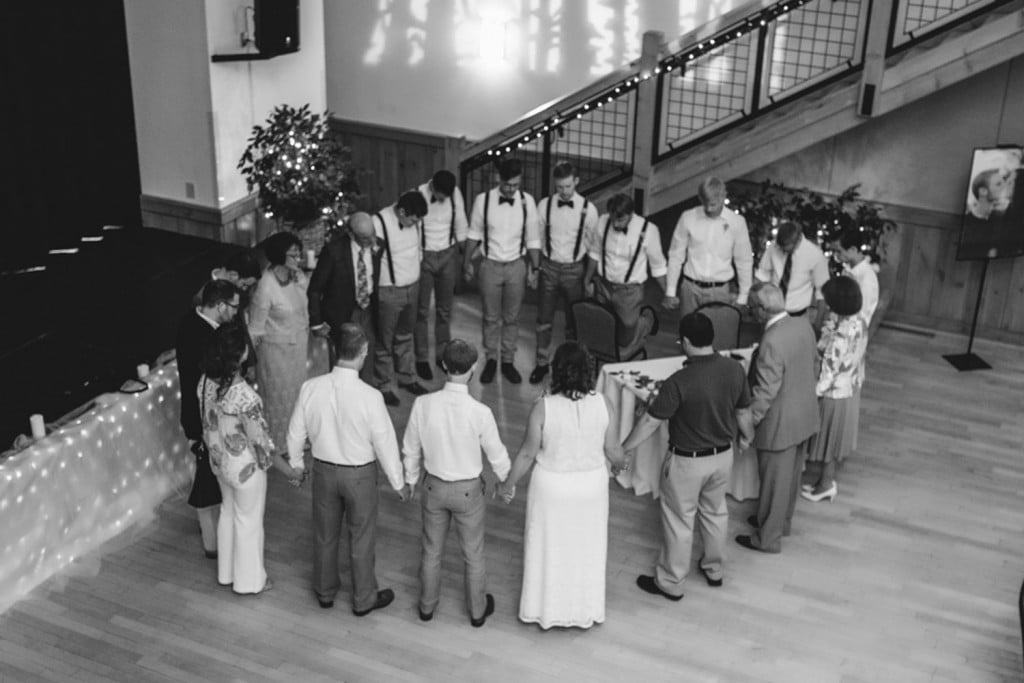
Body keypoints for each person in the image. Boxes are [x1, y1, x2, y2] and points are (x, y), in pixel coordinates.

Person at [622, 313, 752, 598]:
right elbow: (743, 411)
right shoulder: (734, 369)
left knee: (679, 520)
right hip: (723, 457)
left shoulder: (678, 381)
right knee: (716, 513)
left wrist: (624, 449)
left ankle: (670, 582)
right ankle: (714, 569)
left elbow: (650, 422)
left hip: (687, 462)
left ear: (688, 342)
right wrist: (748, 437)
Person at [499, 343, 628, 629]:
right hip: (591, 490)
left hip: (552, 488)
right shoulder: (604, 403)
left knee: (548, 548)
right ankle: (585, 610)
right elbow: (614, 450)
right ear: (588, 372)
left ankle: (544, 609)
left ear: (556, 371)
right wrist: (624, 466)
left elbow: (527, 454)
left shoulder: (543, 407)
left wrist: (507, 484)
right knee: (587, 549)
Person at [286, 323, 408, 615]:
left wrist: (296, 465)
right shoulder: (371, 396)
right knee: (361, 537)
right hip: (360, 476)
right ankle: (364, 599)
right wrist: (398, 481)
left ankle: (325, 592)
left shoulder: (310, 387)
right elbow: (385, 443)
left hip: (324, 473)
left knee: (325, 534)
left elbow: (294, 434)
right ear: (363, 351)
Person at [402, 339, 511, 627]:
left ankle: (426, 607)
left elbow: (410, 447)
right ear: (474, 367)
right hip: (468, 493)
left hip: (433, 488)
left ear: (443, 366)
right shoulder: (480, 412)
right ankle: (477, 612)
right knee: (473, 554)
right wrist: (506, 483)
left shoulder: (422, 404)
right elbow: (497, 454)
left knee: (431, 550)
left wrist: (410, 480)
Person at [199, 325, 301, 595]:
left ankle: (227, 574)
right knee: (249, 521)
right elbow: (263, 444)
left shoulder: (206, 382)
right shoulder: (245, 396)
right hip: (244, 469)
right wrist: (290, 471)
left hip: (219, 463)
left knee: (227, 512)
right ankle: (250, 582)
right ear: (241, 354)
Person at [735, 282, 819, 554]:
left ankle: (767, 539)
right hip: (804, 414)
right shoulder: (802, 324)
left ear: (761, 310)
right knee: (790, 478)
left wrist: (748, 425)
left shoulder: (771, 341)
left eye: (751, 307)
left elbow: (764, 394)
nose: (750, 313)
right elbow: (814, 364)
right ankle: (779, 522)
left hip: (780, 423)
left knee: (773, 482)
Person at [175, 278, 239, 558]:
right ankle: (213, 543)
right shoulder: (200, 336)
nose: (236, 312)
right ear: (220, 305)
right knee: (208, 476)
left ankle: (214, 533)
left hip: (204, 414)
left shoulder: (192, 321)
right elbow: (208, 383)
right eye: (234, 307)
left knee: (210, 474)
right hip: (204, 416)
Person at [464, 158, 541, 384]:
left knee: (512, 318)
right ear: (499, 179)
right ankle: (491, 360)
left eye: (516, 185)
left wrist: (534, 268)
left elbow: (534, 239)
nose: (511, 190)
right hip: (490, 265)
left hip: (516, 265)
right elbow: (473, 235)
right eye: (508, 185)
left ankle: (508, 361)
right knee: (490, 317)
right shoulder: (483, 201)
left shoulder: (528, 202)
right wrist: (466, 262)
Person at [529, 162, 599, 385]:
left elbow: (594, 247)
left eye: (568, 186)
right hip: (548, 267)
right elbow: (536, 239)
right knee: (543, 319)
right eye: (559, 187)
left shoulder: (589, 210)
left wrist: (588, 278)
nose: (564, 191)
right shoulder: (544, 205)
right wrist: (535, 268)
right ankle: (541, 364)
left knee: (573, 322)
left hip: (574, 269)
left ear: (576, 182)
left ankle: (571, 367)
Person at [802, 276, 867, 503]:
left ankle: (826, 484)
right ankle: (824, 481)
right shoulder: (859, 321)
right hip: (849, 388)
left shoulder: (841, 336)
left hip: (833, 395)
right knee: (832, 440)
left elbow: (828, 373)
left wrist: (809, 394)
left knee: (828, 442)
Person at [249, 232, 313, 453]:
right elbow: (255, 328)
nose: (298, 258)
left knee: (297, 396)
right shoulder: (265, 287)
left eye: (298, 253)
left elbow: (305, 301)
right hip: (274, 354)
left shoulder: (296, 277)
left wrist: (300, 276)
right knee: (277, 400)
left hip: (297, 349)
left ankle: (296, 438)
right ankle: (278, 444)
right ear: (279, 256)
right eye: (293, 254)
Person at [307, 212, 383, 383]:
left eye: (373, 234)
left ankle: (364, 394)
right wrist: (317, 322)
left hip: (369, 310)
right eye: (365, 238)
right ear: (351, 234)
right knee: (343, 363)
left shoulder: (378, 245)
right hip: (342, 314)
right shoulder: (333, 251)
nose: (372, 241)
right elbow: (314, 289)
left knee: (367, 358)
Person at [583, 193, 667, 348]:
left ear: (631, 215)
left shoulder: (648, 230)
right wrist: (587, 280)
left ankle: (646, 321)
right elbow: (594, 252)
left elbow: (658, 266)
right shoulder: (602, 222)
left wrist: (668, 293)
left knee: (625, 339)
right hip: (604, 285)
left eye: (620, 219)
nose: (615, 223)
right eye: (612, 218)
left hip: (630, 290)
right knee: (602, 326)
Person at [371, 191, 430, 406]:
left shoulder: (416, 222)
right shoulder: (378, 222)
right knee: (385, 340)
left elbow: (418, 250)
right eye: (414, 218)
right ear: (402, 212)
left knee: (406, 335)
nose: (416, 223)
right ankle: (384, 383)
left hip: (413, 287)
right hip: (389, 290)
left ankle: (407, 377)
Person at [663, 176, 754, 315]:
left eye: (713, 205)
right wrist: (670, 290)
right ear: (700, 198)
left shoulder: (737, 222)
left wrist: (743, 296)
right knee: (688, 332)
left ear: (723, 197)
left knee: (717, 334)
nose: (709, 209)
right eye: (705, 204)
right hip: (689, 288)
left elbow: (744, 261)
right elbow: (675, 255)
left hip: (720, 291)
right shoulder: (687, 217)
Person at [414, 170, 468, 381]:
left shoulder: (455, 195)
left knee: (444, 311)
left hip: (448, 255)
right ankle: (421, 358)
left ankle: (442, 356)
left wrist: (465, 261)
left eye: (447, 195)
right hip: (424, 256)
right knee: (422, 312)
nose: (444, 199)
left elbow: (461, 226)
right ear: (431, 187)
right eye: (440, 195)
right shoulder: (418, 194)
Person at [755, 221, 829, 321]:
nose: (783, 251)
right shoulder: (773, 247)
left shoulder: (815, 255)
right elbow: (762, 275)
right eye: (781, 249)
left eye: (787, 250)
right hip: (771, 311)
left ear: (798, 240)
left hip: (798, 315)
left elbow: (822, 292)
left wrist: (818, 322)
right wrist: (758, 305)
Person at [828, 228, 879, 326]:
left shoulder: (867, 278)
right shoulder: (847, 270)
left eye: (838, 251)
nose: (835, 255)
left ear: (853, 249)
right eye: (833, 251)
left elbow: (862, 315)